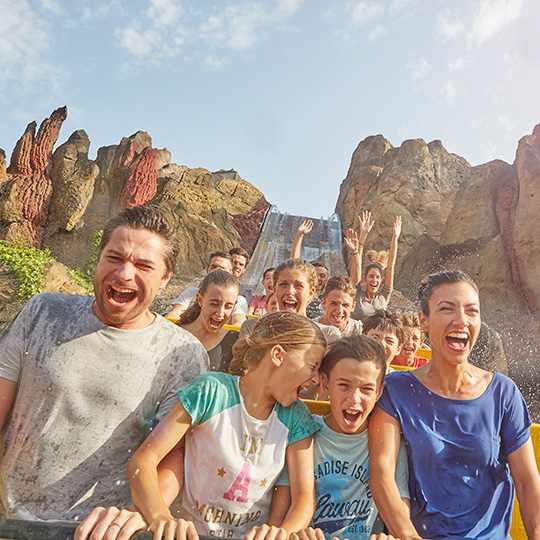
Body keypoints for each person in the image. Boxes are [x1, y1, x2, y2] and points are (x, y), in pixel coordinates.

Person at [0, 206, 208, 521]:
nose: (124, 274)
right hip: (8, 516)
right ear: (99, 258)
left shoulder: (182, 353)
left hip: (98, 529)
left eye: (143, 265)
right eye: (115, 257)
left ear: (166, 278)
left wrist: (142, 515)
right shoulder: (43, 312)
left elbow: (174, 458)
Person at [368, 271, 540, 540]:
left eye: (472, 311)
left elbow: (528, 482)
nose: (462, 320)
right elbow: (382, 475)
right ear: (423, 320)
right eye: (447, 309)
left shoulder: (503, 393)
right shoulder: (396, 390)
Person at [126, 312, 326, 540]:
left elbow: (304, 499)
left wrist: (282, 534)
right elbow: (143, 460)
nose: (316, 379)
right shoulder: (210, 392)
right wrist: (160, 518)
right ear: (278, 355)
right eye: (312, 366)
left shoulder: (298, 417)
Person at [270, 335, 410, 540]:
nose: (354, 399)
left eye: (366, 389)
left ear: (379, 392)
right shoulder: (304, 432)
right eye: (344, 385)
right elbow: (279, 517)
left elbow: (400, 514)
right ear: (325, 384)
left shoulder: (389, 443)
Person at [176, 269, 240, 373]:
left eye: (228, 306)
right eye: (214, 304)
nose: (220, 313)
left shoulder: (236, 343)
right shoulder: (175, 333)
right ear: (200, 300)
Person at [167, 251, 248, 326]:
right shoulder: (191, 293)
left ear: (230, 273)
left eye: (222, 269)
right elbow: (174, 314)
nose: (216, 271)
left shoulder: (239, 301)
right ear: (207, 269)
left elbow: (239, 323)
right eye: (214, 266)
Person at [350, 215, 401, 322]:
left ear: (381, 279)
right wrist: (363, 236)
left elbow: (391, 264)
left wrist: (395, 238)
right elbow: (357, 264)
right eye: (371, 277)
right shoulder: (357, 294)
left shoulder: (384, 296)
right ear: (365, 278)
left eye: (377, 277)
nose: (374, 280)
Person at [289, 219, 328, 320]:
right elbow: (294, 264)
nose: (318, 278)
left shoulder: (328, 297)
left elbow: (354, 280)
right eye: (315, 274)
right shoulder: (302, 293)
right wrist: (299, 235)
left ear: (326, 280)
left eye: (322, 276)